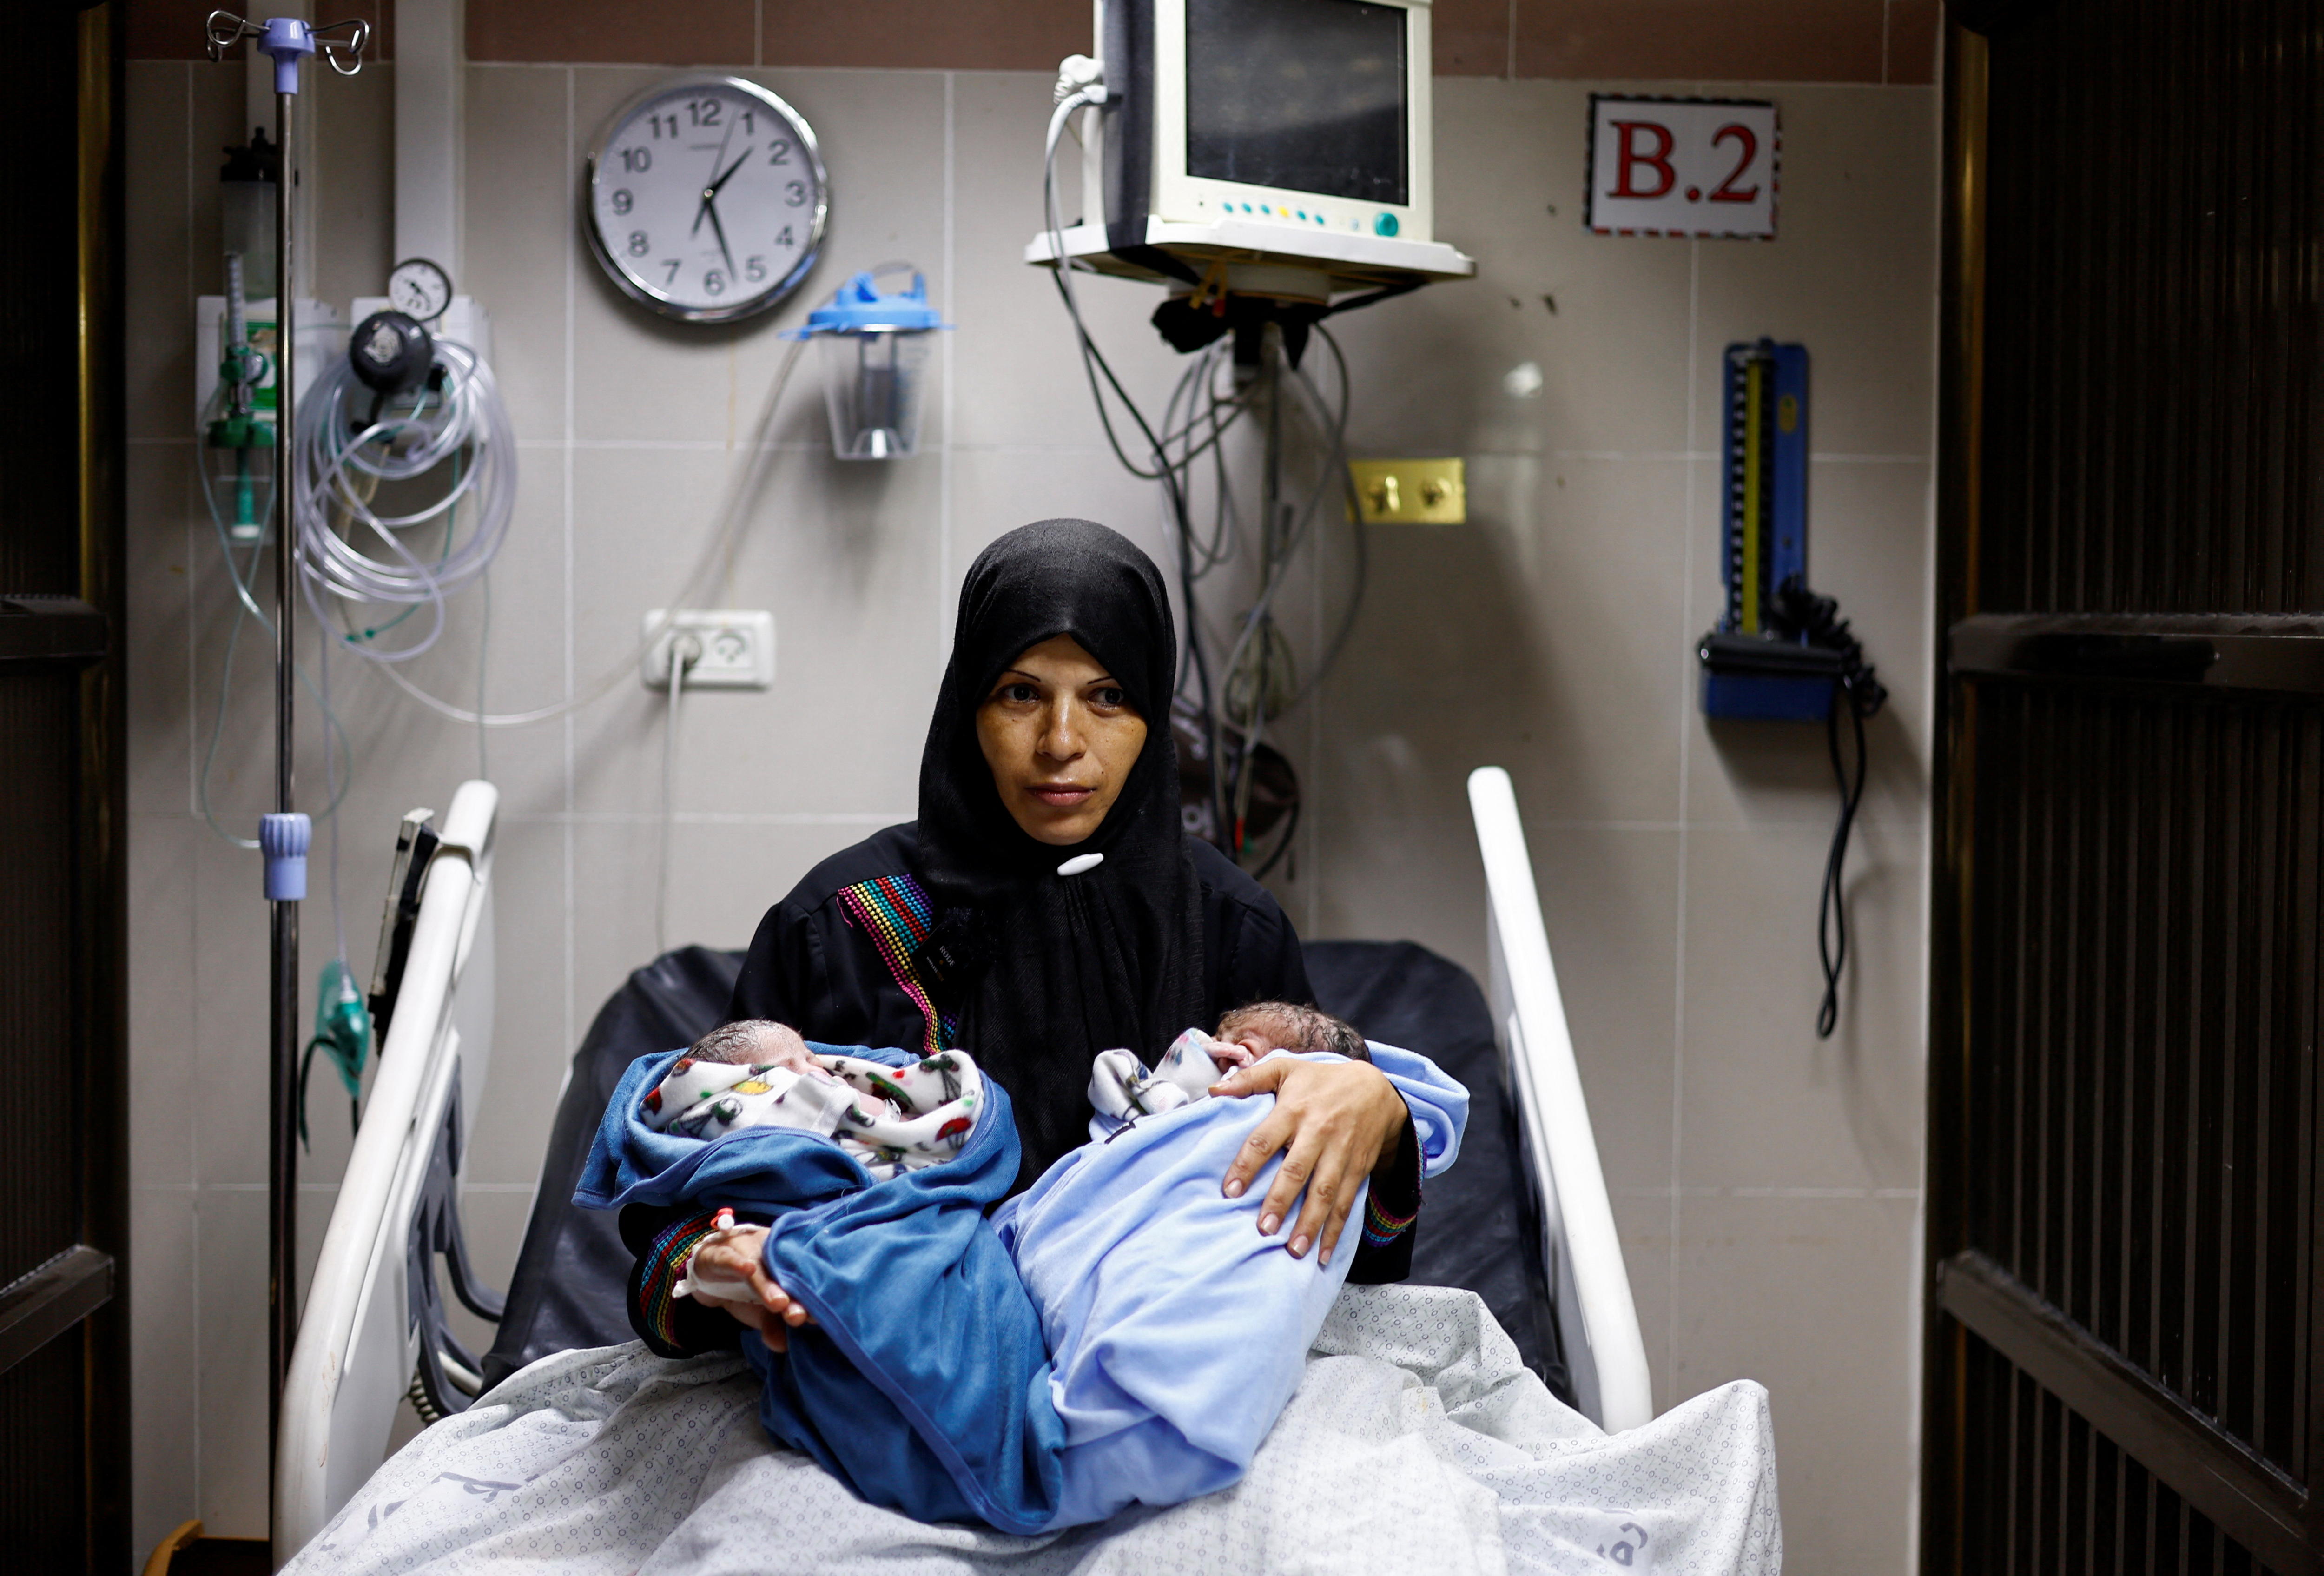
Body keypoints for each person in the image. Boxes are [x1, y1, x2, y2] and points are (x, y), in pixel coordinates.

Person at [624, 518, 1422, 1357]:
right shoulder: (841, 925)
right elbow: (669, 1234)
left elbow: (1357, 1262)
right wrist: (717, 1266)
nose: (1062, 742)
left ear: (1155, 713)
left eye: (1108, 697)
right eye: (1021, 693)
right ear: (968, 705)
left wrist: (1379, 1117)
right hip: (885, 1380)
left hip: (1165, 1374)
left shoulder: (1230, 929)